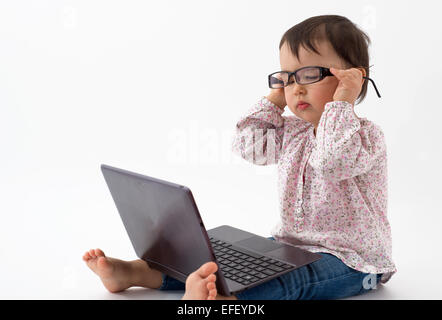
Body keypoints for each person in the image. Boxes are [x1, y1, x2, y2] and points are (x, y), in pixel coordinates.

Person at [83, 14, 397, 300]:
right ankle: (139, 272)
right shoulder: (292, 132)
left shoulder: (365, 136)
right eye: (287, 77)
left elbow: (332, 162)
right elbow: (250, 147)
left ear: (352, 79)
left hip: (351, 260)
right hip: (290, 245)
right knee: (221, 258)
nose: (295, 89)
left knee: (298, 280)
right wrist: (273, 100)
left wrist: (341, 104)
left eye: (309, 74)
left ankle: (225, 301)